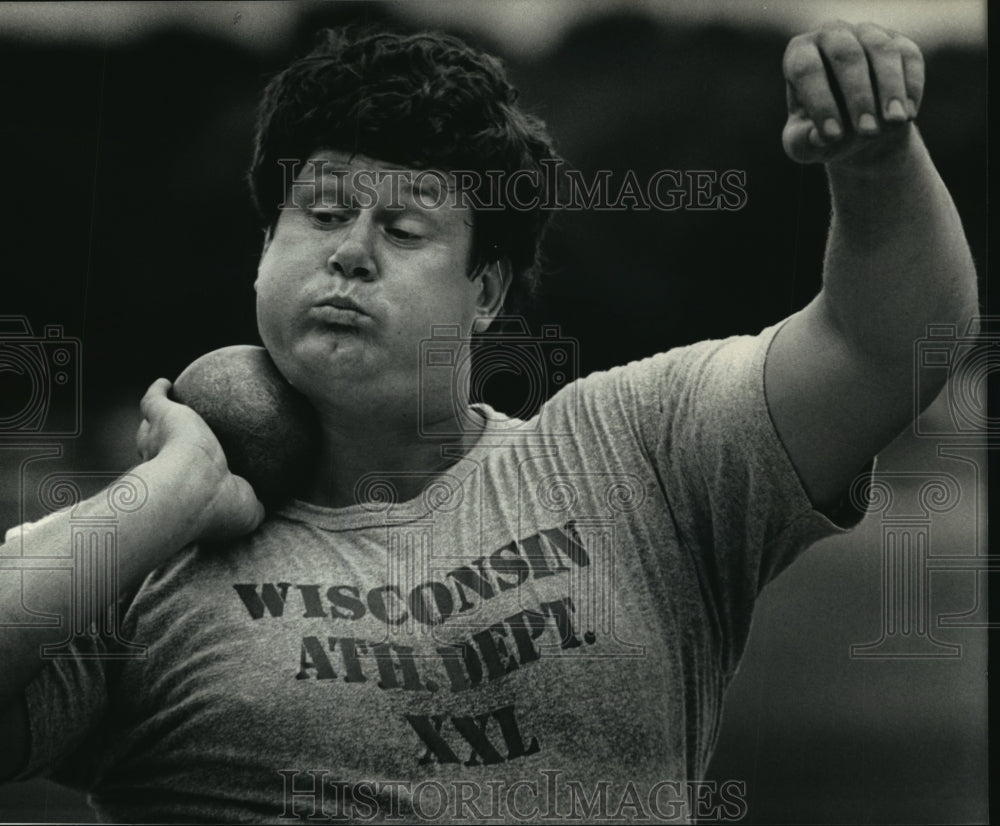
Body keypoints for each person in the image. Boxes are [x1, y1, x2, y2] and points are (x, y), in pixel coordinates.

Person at [0, 22, 978, 824]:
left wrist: (878, 165)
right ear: (265, 252)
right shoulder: (145, 566)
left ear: (487, 291)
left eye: (406, 226)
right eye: (323, 213)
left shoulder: (631, 453)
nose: (350, 253)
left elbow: (887, 345)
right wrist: (163, 494)